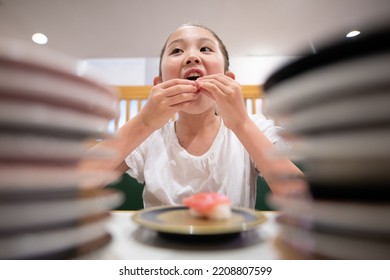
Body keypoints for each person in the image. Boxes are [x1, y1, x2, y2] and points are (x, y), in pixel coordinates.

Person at [85, 23, 305, 208]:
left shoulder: (254, 127)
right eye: (177, 51)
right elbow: (72, 184)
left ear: (229, 80)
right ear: (159, 84)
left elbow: (304, 201)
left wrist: (241, 123)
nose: (191, 57)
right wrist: (144, 122)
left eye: (206, 49)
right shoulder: (149, 136)